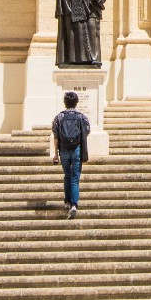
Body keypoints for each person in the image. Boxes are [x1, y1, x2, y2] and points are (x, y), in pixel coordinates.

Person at [51, 90, 91, 219]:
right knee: (75, 178)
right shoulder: (82, 117)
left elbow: (56, 136)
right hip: (76, 149)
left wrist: (56, 154)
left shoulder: (59, 117)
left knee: (67, 176)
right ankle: (74, 204)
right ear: (76, 102)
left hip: (63, 150)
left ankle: (67, 202)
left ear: (65, 102)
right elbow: (87, 131)